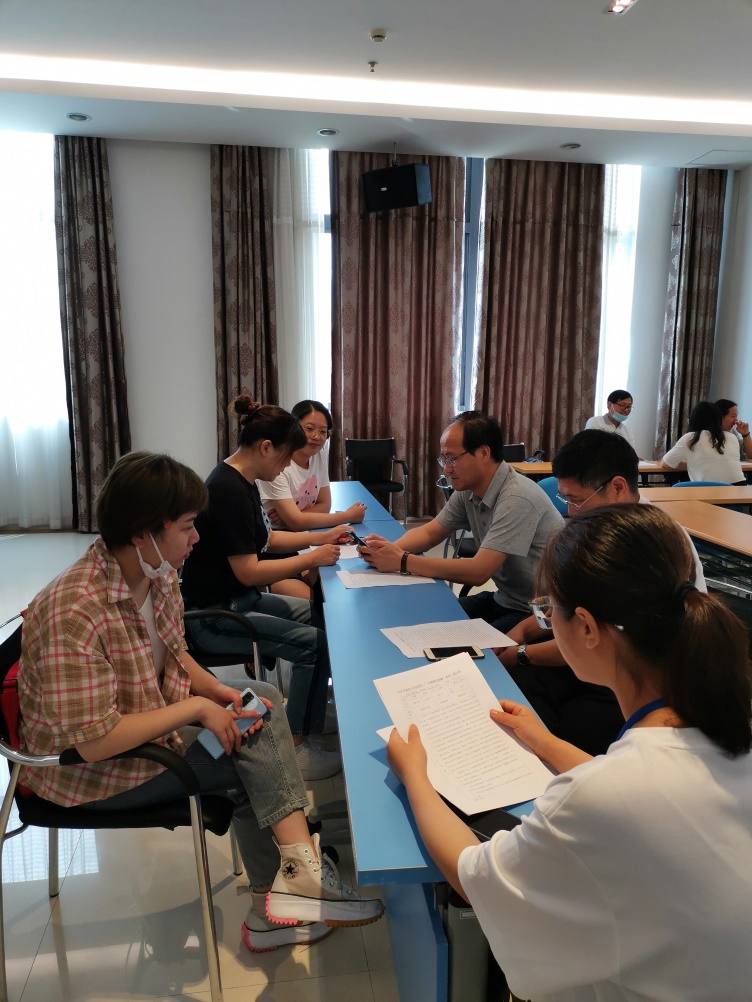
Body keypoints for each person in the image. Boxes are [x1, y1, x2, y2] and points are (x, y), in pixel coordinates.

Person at [17, 451, 384, 956]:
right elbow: (95, 743)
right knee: (254, 759)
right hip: (91, 775)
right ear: (144, 533)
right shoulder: (75, 611)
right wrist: (196, 709)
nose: (196, 538)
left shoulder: (155, 571)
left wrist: (213, 691)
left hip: (145, 733)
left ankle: (289, 885)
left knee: (259, 703)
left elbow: (174, 652)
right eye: (188, 526)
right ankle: (290, 885)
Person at [387, 503, 752, 1002]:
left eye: (547, 611)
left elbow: (475, 876)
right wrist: (545, 742)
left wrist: (416, 776)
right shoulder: (721, 722)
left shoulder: (596, 798)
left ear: (586, 627)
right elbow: (649, 793)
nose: (545, 621)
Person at [496, 429, 706, 755]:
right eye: (566, 500)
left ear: (617, 487)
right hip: (611, 654)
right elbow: (569, 608)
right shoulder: (606, 528)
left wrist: (521, 653)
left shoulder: (644, 542)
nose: (570, 512)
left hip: (647, 675)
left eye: (577, 500)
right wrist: (525, 629)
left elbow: (592, 637)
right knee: (523, 685)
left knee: (558, 714)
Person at [180, 398, 349, 779]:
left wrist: (323, 537)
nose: (286, 467)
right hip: (215, 616)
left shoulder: (241, 480)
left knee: (325, 614)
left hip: (240, 599)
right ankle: (298, 744)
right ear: (266, 447)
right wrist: (313, 557)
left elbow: (267, 540)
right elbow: (249, 571)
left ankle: (307, 710)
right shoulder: (226, 490)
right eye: (285, 458)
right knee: (314, 645)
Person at [360, 411, 562, 633]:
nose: (446, 469)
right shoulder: (469, 489)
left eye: (453, 458)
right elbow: (430, 533)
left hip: (538, 614)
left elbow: (478, 572)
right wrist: (387, 551)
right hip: (505, 600)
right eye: (444, 459)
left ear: (483, 453)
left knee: (458, 643)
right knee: (423, 619)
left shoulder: (517, 497)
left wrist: (402, 561)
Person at [258, 399, 367, 530]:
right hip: (276, 535)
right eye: (309, 429)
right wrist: (348, 516)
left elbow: (325, 505)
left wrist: (292, 516)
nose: (316, 436)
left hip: (307, 530)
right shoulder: (276, 462)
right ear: (294, 427)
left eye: (323, 431)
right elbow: (296, 523)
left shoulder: (318, 455)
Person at [662, 400, 746, 484]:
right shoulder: (732, 437)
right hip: (738, 489)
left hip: (707, 490)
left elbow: (666, 463)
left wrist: (693, 465)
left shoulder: (690, 438)